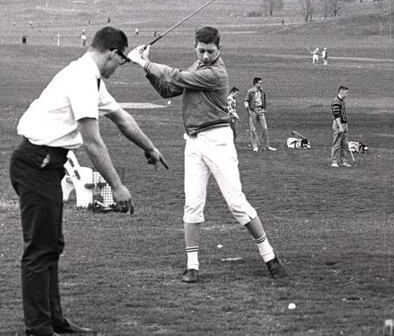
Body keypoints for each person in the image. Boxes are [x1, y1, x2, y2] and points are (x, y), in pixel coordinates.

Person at [10, 26, 167, 335]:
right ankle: (39, 328)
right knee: (39, 250)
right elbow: (92, 141)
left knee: (51, 245)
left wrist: (149, 147)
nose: (117, 69)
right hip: (35, 163)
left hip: (47, 166)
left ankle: (55, 321)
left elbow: (122, 118)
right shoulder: (82, 78)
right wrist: (116, 187)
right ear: (112, 53)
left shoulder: (91, 79)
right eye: (119, 63)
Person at [126, 26, 286, 283]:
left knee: (236, 204)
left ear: (219, 50)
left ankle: (270, 257)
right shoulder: (197, 67)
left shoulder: (216, 73)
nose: (205, 55)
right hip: (193, 142)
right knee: (192, 204)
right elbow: (168, 90)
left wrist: (143, 62)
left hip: (218, 141)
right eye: (201, 50)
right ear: (195, 47)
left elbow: (175, 77)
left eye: (211, 51)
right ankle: (192, 266)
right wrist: (145, 70)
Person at [244, 77, 277, 152]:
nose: (261, 84)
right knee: (253, 129)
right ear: (255, 83)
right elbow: (246, 100)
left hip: (260, 110)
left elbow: (264, 100)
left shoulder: (262, 91)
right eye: (259, 83)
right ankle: (255, 146)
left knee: (265, 128)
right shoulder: (250, 91)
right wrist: (247, 106)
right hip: (253, 110)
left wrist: (264, 109)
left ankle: (267, 146)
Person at [330, 86, 352, 167]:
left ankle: (344, 161)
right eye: (346, 92)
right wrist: (340, 126)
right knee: (337, 143)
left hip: (344, 124)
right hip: (339, 124)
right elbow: (336, 115)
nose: (347, 94)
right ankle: (334, 161)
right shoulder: (336, 101)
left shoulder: (342, 101)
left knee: (345, 143)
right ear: (341, 92)